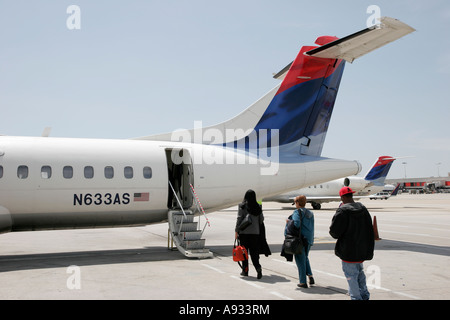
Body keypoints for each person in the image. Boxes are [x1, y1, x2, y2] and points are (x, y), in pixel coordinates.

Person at [329, 186, 375, 300]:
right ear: (352, 195)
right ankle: (365, 296)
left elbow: (334, 232)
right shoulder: (363, 209)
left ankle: (356, 298)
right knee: (360, 274)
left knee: (351, 277)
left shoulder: (343, 211)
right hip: (361, 251)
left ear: (342, 197)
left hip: (348, 251)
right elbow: (370, 229)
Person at [235, 189, 270, 279]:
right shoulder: (258, 207)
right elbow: (261, 220)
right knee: (254, 253)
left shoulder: (242, 206)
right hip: (255, 233)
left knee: (244, 252)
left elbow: (239, 219)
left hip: (244, 233)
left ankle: (245, 270)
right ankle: (258, 268)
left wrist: (236, 231)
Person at [290, 195, 315, 288]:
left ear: (297, 203)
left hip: (300, 239)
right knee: (305, 257)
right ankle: (310, 276)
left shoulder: (297, 212)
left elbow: (296, 224)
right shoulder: (310, 213)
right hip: (308, 238)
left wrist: (288, 222)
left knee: (300, 259)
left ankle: (303, 282)